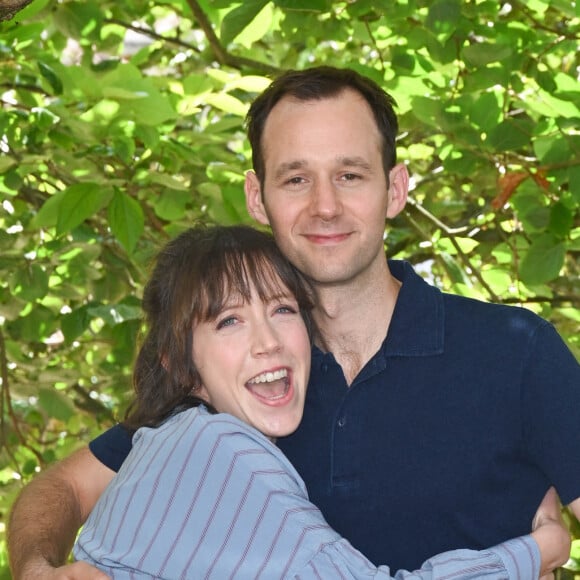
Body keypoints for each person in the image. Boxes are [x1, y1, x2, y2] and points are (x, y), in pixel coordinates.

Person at [8, 66, 580, 579]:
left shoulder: (514, 351)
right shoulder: (237, 379)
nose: (325, 206)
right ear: (258, 198)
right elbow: (61, 487)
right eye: (296, 178)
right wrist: (39, 569)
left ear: (396, 188)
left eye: (351, 175)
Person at [72, 223, 556, 579]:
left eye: (282, 309)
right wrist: (540, 549)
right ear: (181, 369)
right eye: (228, 321)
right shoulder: (219, 448)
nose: (268, 342)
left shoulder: (170, 444)